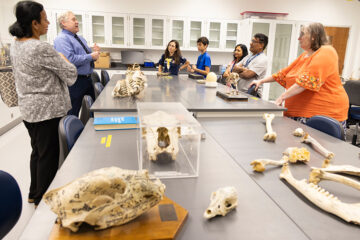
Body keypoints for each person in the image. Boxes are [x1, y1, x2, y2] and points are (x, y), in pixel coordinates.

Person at [9, 1, 77, 206]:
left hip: (29, 111)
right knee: (49, 157)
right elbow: (71, 75)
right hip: (48, 111)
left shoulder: (16, 43)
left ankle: (33, 192)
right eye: (45, 19)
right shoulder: (41, 47)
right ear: (34, 23)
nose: (48, 23)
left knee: (38, 151)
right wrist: (64, 58)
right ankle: (44, 201)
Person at [251, 23, 349, 129]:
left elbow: (305, 82)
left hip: (322, 113)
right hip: (299, 113)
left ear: (314, 36)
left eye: (302, 34)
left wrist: (280, 98)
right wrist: (260, 81)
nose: (299, 38)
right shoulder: (305, 55)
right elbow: (283, 74)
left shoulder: (326, 52)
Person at [54, 11, 100, 116]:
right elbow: (69, 60)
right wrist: (91, 56)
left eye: (76, 19)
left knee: (93, 109)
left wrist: (95, 54)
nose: (77, 22)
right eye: (73, 19)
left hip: (87, 79)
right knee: (73, 112)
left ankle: (91, 130)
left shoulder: (80, 38)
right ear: (63, 23)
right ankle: (71, 132)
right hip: (75, 82)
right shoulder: (61, 39)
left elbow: (88, 58)